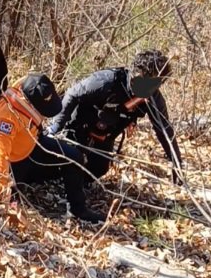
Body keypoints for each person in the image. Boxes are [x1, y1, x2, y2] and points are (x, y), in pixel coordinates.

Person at [48, 49, 182, 185]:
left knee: (99, 169)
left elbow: (164, 129)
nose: (142, 88)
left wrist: (176, 162)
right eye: (138, 80)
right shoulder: (107, 81)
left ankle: (79, 183)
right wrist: (55, 128)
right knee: (70, 158)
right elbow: (72, 94)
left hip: (107, 132)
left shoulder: (153, 99)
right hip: (79, 123)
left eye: (150, 85)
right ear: (133, 71)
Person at [0, 74, 106, 222]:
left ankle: (78, 210)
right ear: (30, 103)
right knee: (14, 201)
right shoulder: (8, 115)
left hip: (34, 141)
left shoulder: (30, 83)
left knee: (74, 157)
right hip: (14, 160)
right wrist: (3, 188)